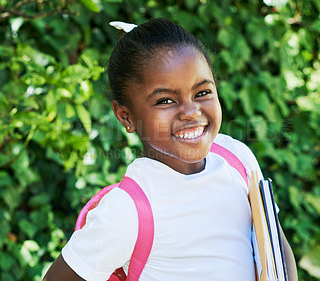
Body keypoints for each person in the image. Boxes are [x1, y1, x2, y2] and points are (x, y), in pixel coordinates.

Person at [43, 18, 298, 281]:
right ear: (125, 116)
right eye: (165, 101)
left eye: (202, 93)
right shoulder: (127, 210)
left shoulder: (238, 159)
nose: (191, 112)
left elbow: (275, 244)